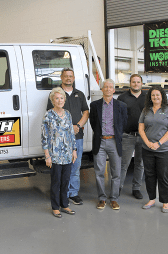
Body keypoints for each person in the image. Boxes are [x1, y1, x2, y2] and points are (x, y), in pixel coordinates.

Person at [47, 67, 89, 205]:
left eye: (71, 76)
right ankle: (61, 194)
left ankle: (73, 193)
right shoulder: (55, 94)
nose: (68, 78)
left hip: (77, 136)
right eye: (66, 76)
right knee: (60, 168)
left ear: (74, 78)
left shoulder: (80, 94)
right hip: (59, 140)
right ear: (61, 77)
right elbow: (50, 115)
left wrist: (78, 126)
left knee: (75, 165)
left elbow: (86, 112)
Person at [89, 79, 127, 210]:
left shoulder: (121, 106)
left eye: (111, 87)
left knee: (116, 172)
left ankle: (114, 199)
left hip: (114, 141)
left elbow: (123, 123)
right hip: (100, 141)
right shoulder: (94, 105)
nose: (108, 89)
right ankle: (102, 198)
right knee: (99, 171)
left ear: (114, 90)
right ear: (102, 89)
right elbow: (93, 123)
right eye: (106, 87)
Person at [139, 86, 168, 213]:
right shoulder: (145, 110)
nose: (155, 97)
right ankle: (151, 199)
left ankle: (165, 202)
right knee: (149, 175)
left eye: (158, 95)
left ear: (162, 97)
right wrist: (148, 143)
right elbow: (141, 129)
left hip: (164, 149)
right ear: (150, 97)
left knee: (163, 175)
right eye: (153, 95)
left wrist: (158, 143)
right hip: (148, 149)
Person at [42, 87, 78, 218]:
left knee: (66, 180)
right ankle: (55, 207)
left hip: (67, 154)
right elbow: (44, 137)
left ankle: (65, 205)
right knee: (56, 182)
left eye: (62, 98)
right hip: (55, 155)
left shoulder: (68, 114)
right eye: (57, 98)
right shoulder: (48, 115)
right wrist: (47, 156)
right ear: (53, 100)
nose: (60, 100)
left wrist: (74, 150)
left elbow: (71, 134)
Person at [117, 74, 146, 199]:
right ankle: (118, 188)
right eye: (133, 82)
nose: (136, 84)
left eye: (138, 82)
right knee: (124, 164)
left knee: (140, 164)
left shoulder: (147, 97)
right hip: (127, 136)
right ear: (130, 83)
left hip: (143, 136)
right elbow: (117, 117)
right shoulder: (122, 97)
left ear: (141, 83)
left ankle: (136, 188)